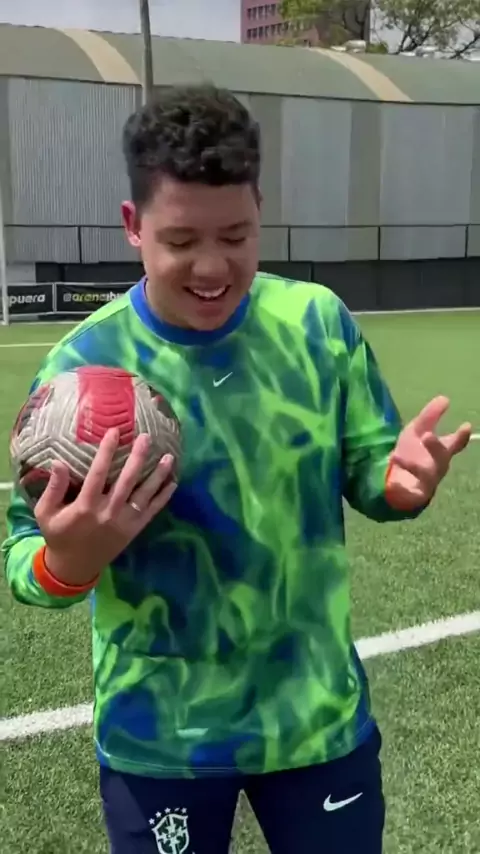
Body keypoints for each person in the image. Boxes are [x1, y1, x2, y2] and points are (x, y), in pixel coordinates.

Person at [3, 84, 471, 854]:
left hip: (313, 719)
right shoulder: (82, 368)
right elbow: (23, 555)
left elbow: (372, 474)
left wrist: (401, 484)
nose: (213, 265)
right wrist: (68, 561)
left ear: (261, 214)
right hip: (161, 736)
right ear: (133, 226)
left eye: (236, 235)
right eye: (181, 240)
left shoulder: (316, 323)